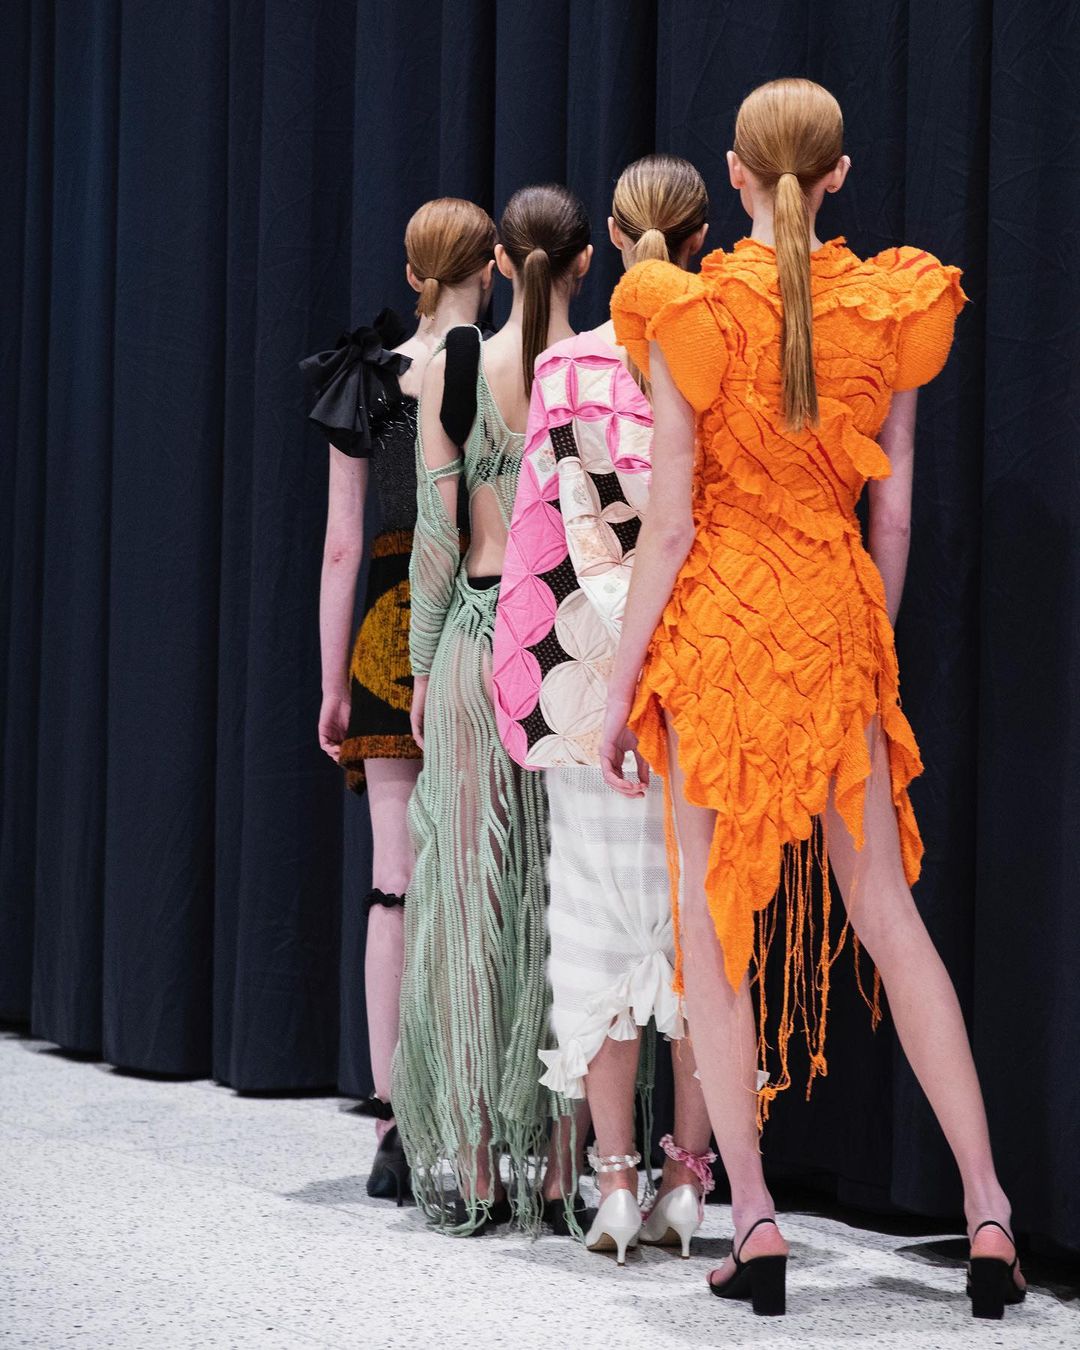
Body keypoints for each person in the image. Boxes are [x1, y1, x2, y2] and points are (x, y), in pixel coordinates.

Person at [602, 78, 1022, 1320]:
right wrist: (859, 640)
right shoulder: (891, 307)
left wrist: (620, 690)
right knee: (889, 914)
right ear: (837, 176)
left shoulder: (690, 309)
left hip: (720, 626)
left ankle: (757, 1219)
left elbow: (671, 524)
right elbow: (893, 514)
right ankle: (988, 1210)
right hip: (832, 615)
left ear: (734, 175)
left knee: (714, 928)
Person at [492, 155, 715, 1265]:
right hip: (704, 669)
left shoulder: (565, 368)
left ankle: (616, 1182)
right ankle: (690, 1180)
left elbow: (542, 546)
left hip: (593, 684)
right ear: (703, 237)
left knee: (595, 925)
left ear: (615, 242)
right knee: (709, 930)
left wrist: (528, 685)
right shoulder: (727, 348)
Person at [393, 184, 593, 1236]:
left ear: (499, 263)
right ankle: (563, 1165)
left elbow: (437, 538)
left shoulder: (455, 365)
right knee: (567, 907)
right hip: (568, 657)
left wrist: (422, 668)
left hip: (476, 642)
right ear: (587, 261)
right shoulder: (599, 367)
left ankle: (475, 1160)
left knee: (469, 906)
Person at [300, 198, 495, 1203]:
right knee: (483, 872)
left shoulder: (370, 377)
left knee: (395, 880)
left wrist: (332, 681)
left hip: (384, 627)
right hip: (479, 619)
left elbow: (342, 544)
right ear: (491, 267)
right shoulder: (499, 369)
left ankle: (390, 1121)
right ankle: (476, 1115)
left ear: (412, 271)